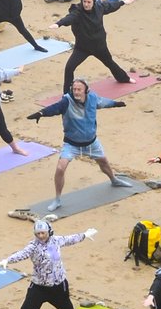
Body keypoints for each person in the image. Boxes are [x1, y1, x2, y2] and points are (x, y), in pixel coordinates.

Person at [27, 78, 134, 210]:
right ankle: (57, 199)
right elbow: (55, 108)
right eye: (74, 89)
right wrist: (41, 113)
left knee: (104, 162)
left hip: (92, 143)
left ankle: (114, 180)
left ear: (86, 91)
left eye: (79, 90)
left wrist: (115, 103)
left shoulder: (93, 98)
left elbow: (103, 102)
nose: (76, 92)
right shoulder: (67, 101)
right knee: (60, 168)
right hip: (71, 144)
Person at [0, 220, 96, 309]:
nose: (41, 236)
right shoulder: (33, 246)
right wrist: (7, 260)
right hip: (39, 287)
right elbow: (22, 253)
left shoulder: (56, 240)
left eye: (43, 233)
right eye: (37, 234)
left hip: (58, 284)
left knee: (66, 305)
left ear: (49, 231)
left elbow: (70, 239)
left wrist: (85, 235)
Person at [51, 0, 134, 93]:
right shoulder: (77, 11)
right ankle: (67, 94)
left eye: (88, 2)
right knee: (69, 68)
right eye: (84, 1)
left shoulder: (99, 7)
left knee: (110, 63)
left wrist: (123, 2)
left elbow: (111, 6)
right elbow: (70, 18)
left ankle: (124, 78)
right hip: (82, 48)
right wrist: (59, 24)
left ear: (93, 2)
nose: (86, 4)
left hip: (99, 47)